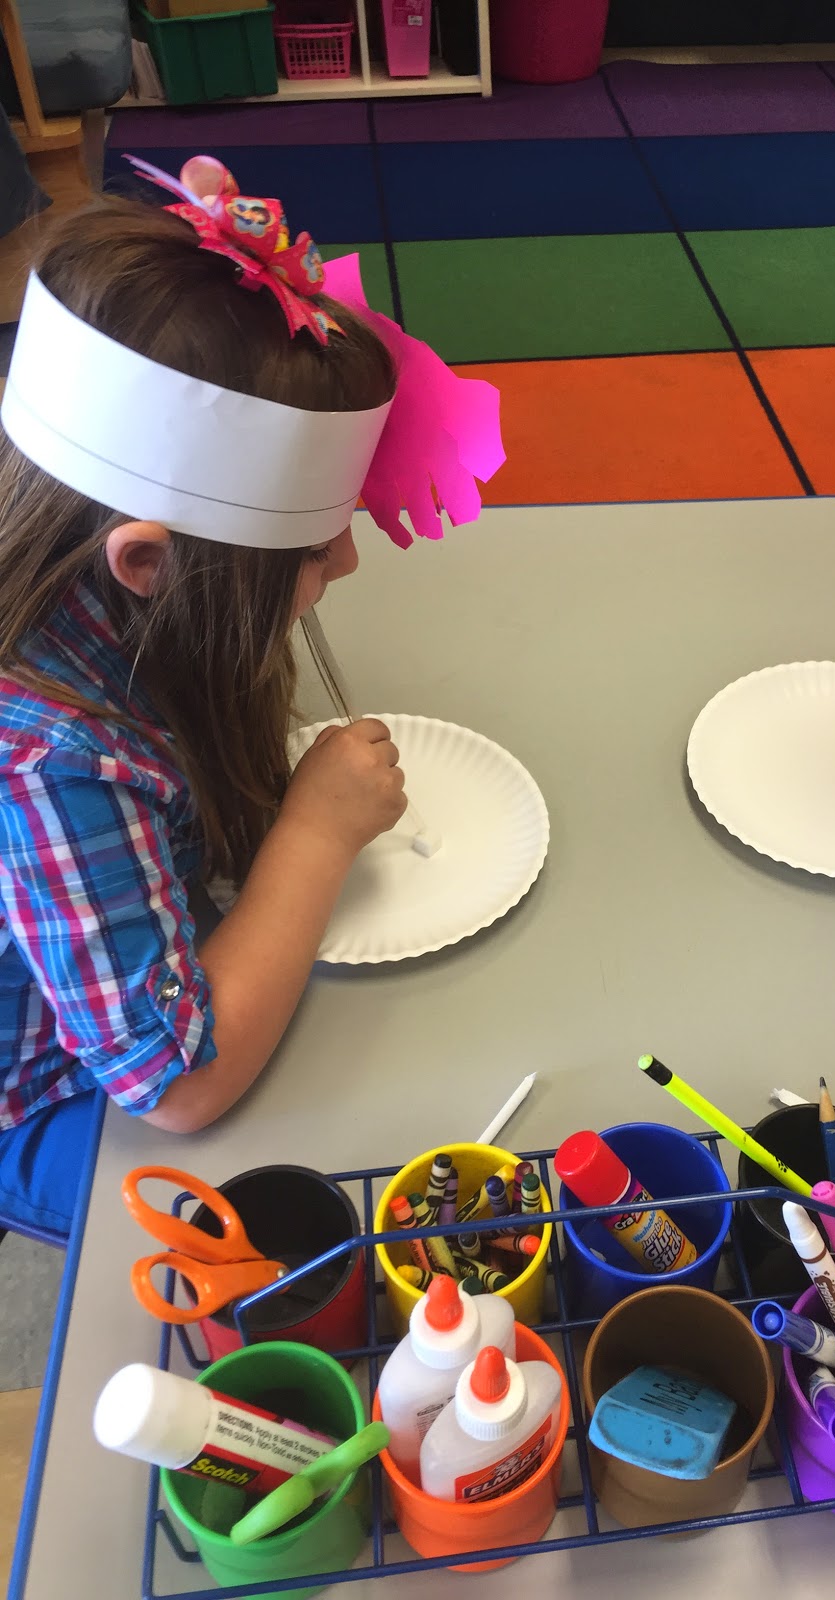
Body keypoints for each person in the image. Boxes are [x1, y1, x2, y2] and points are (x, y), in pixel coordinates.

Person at [0, 158, 501, 1241]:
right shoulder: (47, 763)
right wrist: (315, 833)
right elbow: (178, 1086)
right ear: (148, 562)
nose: (347, 563)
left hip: (146, 959)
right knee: (314, 1223)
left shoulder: (101, 587)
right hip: (46, 1098)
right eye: (312, 549)